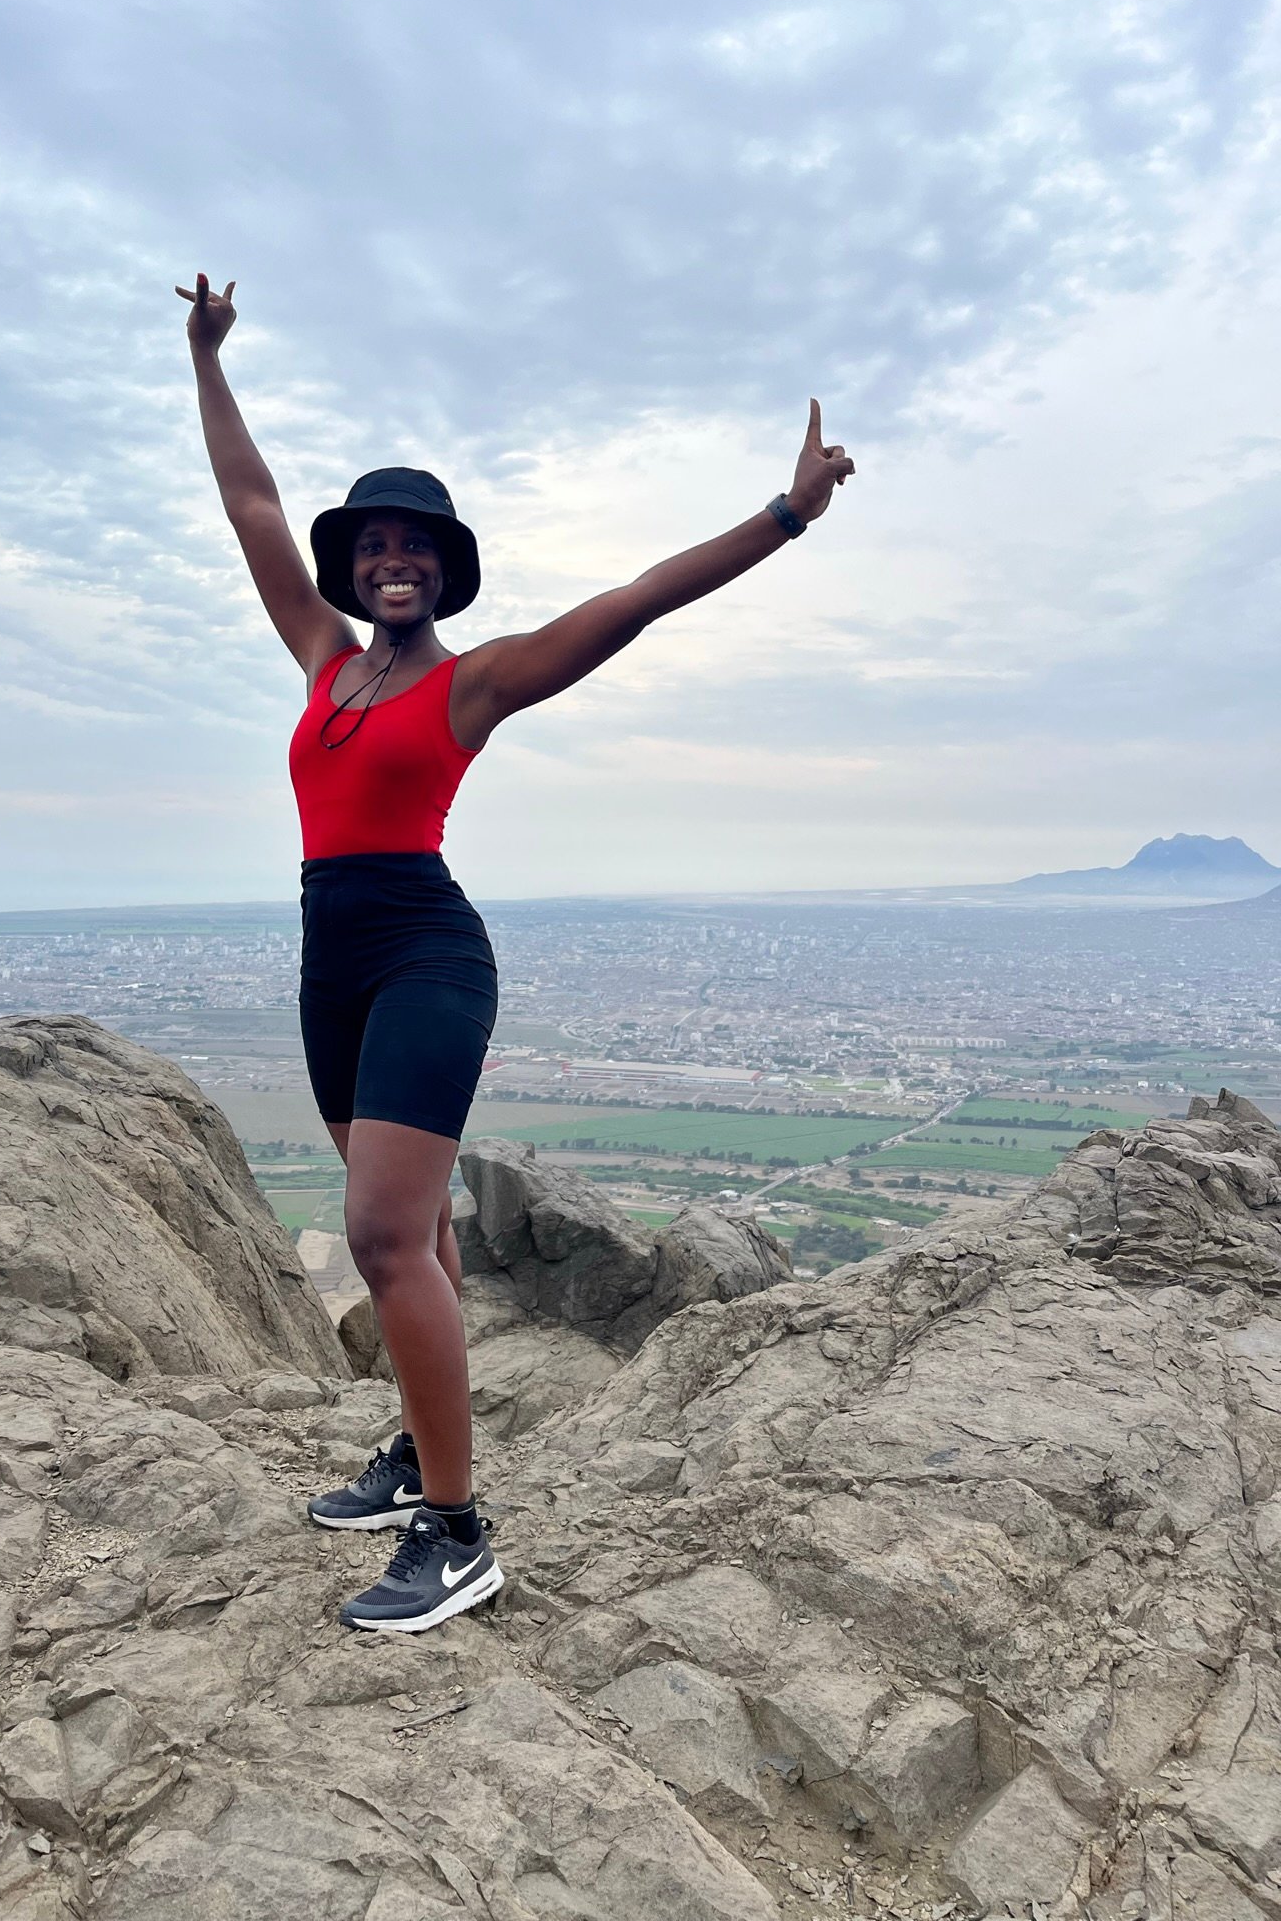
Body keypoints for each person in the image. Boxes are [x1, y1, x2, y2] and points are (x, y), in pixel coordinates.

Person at [177, 271, 854, 1633]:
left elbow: (637, 599)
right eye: (373, 543)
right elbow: (253, 509)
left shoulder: (467, 681)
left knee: (378, 1232)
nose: (392, 558)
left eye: (415, 545)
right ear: (352, 566)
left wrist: (786, 515)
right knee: (415, 1218)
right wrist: (207, 358)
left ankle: (459, 1530)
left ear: (443, 568)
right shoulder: (321, 659)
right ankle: (421, 1450)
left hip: (428, 950)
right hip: (333, 955)